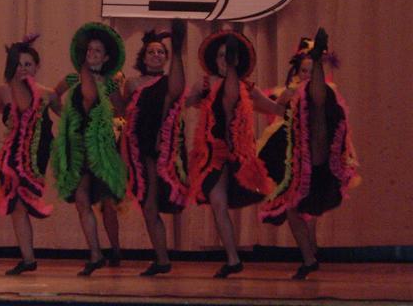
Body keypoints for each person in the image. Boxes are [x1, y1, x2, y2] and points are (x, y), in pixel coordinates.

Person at [258, 28, 360, 280]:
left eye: (312, 70)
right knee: (295, 210)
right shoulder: (292, 92)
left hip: (319, 157)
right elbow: (277, 111)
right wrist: (283, 99)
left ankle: (309, 256)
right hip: (300, 160)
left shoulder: (325, 94)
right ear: (297, 72)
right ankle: (309, 258)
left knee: (301, 209)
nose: (306, 74)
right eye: (304, 71)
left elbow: (328, 113)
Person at [187, 29, 283, 278]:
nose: (225, 60)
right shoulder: (204, 84)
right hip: (213, 154)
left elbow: (275, 109)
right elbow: (181, 104)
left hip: (240, 155)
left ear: (237, 60)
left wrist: (296, 99)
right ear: (214, 59)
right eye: (221, 56)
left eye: (230, 56)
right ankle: (233, 259)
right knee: (218, 204)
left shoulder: (247, 88)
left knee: (231, 200)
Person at [52, 22, 126, 276]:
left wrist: (108, 127)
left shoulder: (111, 84)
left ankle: (115, 249)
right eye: (90, 50)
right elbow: (53, 97)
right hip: (78, 148)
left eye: (98, 51)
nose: (92, 54)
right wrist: (66, 118)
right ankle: (95, 254)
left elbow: (121, 112)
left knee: (107, 204)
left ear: (105, 58)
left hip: (103, 149)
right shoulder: (72, 79)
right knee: (81, 200)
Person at [0, 34, 58, 275]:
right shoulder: (5, 92)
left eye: (28, 64)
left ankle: (28, 258)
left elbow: (70, 117)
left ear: (36, 67)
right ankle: (28, 259)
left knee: (22, 204)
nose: (23, 68)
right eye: (18, 64)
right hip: (11, 156)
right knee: (17, 206)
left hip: (37, 155)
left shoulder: (47, 94)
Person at [120, 19, 187, 276]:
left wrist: (178, 51)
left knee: (151, 205)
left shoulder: (169, 80)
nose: (156, 55)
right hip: (138, 147)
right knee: (148, 207)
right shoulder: (133, 83)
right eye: (152, 51)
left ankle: (162, 260)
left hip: (160, 148)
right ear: (143, 56)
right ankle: (162, 259)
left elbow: (177, 91)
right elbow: (121, 110)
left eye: (161, 52)